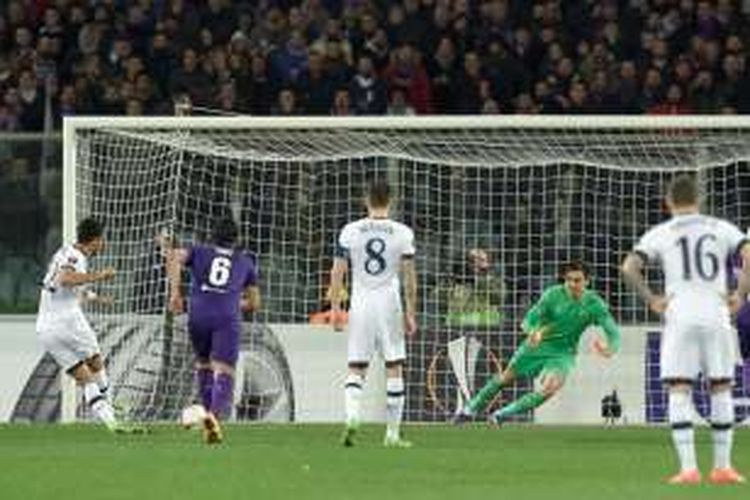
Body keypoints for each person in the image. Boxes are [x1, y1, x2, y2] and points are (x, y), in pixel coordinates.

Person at [621, 175, 750, 485]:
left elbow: (629, 267)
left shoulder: (661, 232)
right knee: (721, 388)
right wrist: (740, 294)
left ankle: (689, 469)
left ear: (668, 202)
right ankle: (722, 468)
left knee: (679, 389)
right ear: (699, 200)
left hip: (680, 316)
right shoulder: (721, 228)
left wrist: (651, 298)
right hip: (716, 314)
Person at [453, 260, 620, 425]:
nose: (571, 284)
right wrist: (534, 332)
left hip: (562, 352)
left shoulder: (595, 304)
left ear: (587, 281)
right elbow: (528, 320)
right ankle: (470, 410)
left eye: (577, 280)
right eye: (568, 279)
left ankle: (500, 415)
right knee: (505, 379)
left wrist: (611, 347)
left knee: (551, 388)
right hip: (536, 346)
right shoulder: (552, 295)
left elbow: (612, 331)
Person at [330, 179, 418, 447]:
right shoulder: (402, 232)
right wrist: (411, 312)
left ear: (366, 200)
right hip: (389, 303)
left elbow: (337, 272)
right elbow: (409, 277)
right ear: (390, 200)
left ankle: (353, 416)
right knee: (394, 365)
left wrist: (335, 309)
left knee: (356, 366)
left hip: (361, 302)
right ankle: (391, 434)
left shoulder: (350, 231)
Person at [37, 217, 141, 433]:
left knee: (84, 377)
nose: (103, 244)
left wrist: (97, 298)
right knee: (95, 362)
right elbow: (66, 279)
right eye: (102, 240)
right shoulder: (77, 257)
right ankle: (112, 406)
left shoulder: (63, 253)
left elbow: (62, 286)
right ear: (94, 241)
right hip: (67, 320)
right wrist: (101, 276)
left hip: (45, 328)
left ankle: (111, 422)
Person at [163, 216, 260, 444]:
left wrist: (175, 293)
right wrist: (232, 299)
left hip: (198, 314)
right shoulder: (245, 262)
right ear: (236, 240)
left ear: (212, 236)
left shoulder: (199, 251)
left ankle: (207, 415)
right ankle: (213, 418)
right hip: (225, 316)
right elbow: (254, 303)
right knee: (225, 370)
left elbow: (174, 257)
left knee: (204, 365)